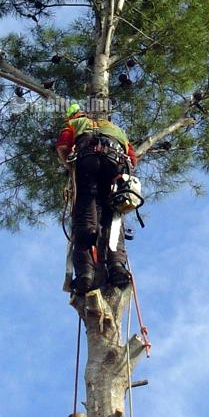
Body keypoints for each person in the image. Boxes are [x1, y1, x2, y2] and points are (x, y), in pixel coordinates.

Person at [56, 102, 138, 294]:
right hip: (115, 165)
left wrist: (71, 167)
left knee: (85, 215)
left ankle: (86, 274)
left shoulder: (74, 124)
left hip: (87, 163)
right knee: (113, 217)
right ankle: (117, 267)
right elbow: (132, 159)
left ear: (74, 115)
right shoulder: (117, 129)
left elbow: (63, 146)